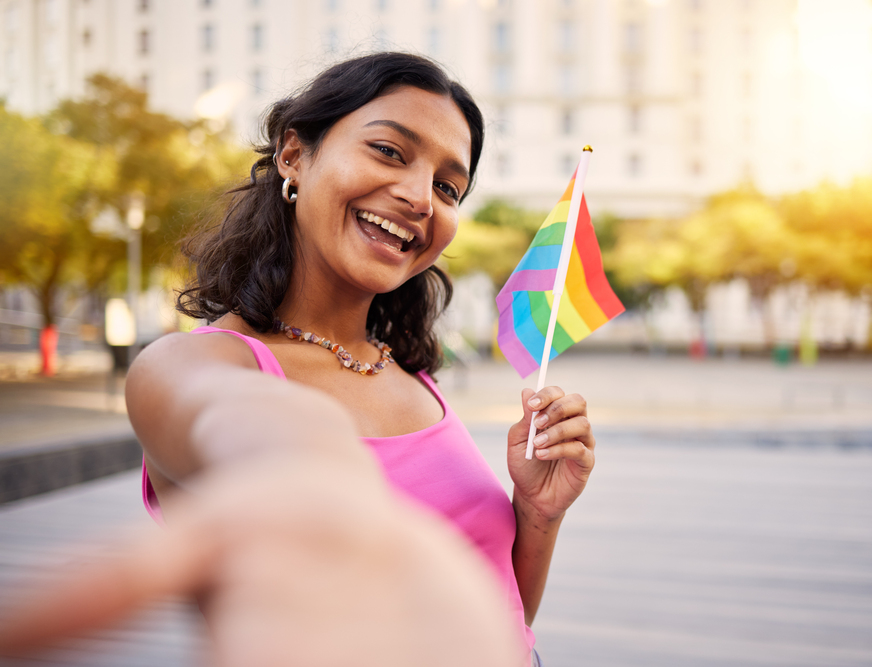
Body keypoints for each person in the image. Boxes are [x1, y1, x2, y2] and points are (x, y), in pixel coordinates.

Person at [0, 52, 595, 666]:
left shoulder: (410, 374)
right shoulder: (193, 365)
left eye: (449, 187)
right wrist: (309, 474)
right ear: (294, 155)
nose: (421, 197)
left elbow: (504, 616)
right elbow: (249, 422)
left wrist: (537, 514)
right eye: (390, 151)